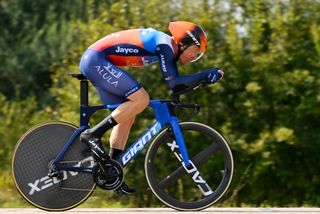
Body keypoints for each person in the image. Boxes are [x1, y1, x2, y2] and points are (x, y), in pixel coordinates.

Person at [79, 21, 224, 195]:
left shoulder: (167, 48)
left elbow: (177, 85)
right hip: (96, 60)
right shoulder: (165, 45)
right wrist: (205, 74)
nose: (196, 56)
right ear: (184, 43)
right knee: (141, 99)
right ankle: (93, 134)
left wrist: (203, 80)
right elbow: (174, 83)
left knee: (127, 116)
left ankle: (112, 173)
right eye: (197, 50)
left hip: (98, 61)